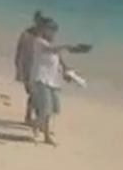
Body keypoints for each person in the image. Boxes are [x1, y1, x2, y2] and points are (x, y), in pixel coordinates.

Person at [24, 16, 90, 145]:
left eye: (55, 30)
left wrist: (68, 72)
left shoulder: (52, 45)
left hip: (52, 81)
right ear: (44, 30)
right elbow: (52, 50)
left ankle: (46, 135)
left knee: (54, 109)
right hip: (40, 79)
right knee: (45, 109)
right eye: (51, 29)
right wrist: (67, 46)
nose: (53, 32)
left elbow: (59, 62)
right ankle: (35, 124)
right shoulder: (38, 42)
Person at [14, 11, 48, 126]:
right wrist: (18, 67)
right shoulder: (26, 34)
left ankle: (32, 117)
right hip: (26, 67)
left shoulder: (44, 36)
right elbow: (19, 50)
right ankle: (33, 118)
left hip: (38, 68)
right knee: (33, 93)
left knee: (36, 94)